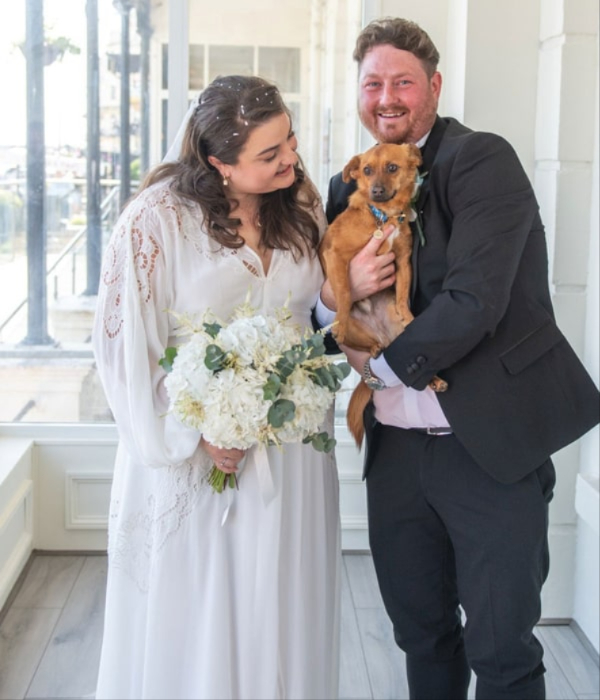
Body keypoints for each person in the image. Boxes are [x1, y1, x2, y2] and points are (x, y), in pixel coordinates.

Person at [317, 17, 600, 700]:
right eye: (373, 83)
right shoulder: (346, 187)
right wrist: (339, 310)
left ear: (434, 87)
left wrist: (378, 367)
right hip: (396, 457)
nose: (386, 97)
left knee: (502, 647)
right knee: (422, 636)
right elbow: (327, 309)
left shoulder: (480, 161)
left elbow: (476, 299)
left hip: (488, 454)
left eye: (403, 82)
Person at [92, 75, 341, 700]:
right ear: (218, 162)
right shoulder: (155, 222)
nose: (290, 159)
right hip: (193, 460)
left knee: (284, 608)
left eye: (289, 140)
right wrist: (201, 427)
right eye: (269, 154)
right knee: (202, 619)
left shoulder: (302, 203)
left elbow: (313, 310)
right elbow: (124, 351)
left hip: (290, 454)